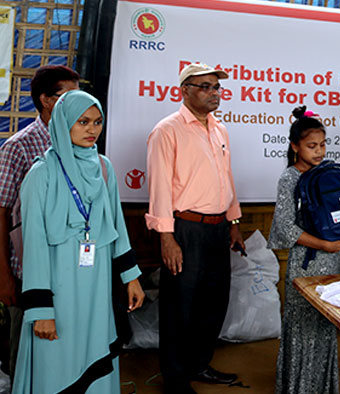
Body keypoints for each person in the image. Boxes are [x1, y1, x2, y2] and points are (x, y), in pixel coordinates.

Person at [11, 90, 145, 393]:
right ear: (62, 122)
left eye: (97, 122)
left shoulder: (103, 167)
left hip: (95, 286)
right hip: (56, 288)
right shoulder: (40, 174)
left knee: (93, 350)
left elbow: (116, 225)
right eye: (82, 121)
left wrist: (131, 277)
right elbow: (34, 247)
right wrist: (41, 310)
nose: (92, 129)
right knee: (54, 360)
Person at [146, 63, 243, 394]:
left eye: (216, 87)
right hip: (185, 228)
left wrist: (233, 222)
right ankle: (175, 379)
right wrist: (167, 238)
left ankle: (199, 364)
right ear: (184, 90)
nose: (214, 93)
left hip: (218, 228)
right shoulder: (167, 130)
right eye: (205, 87)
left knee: (214, 302)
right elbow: (159, 188)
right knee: (179, 307)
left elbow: (226, 178)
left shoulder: (219, 129)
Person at [0, 66, 79, 382]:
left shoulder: (80, 143)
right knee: (26, 353)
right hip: (28, 271)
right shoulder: (19, 147)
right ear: (46, 100)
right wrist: (4, 277)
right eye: (68, 95)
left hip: (70, 268)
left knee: (60, 352)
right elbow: (1, 214)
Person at [268, 106, 340, 394]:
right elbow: (286, 228)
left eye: (323, 144)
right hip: (306, 264)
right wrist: (324, 244)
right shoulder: (289, 179)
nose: (319, 151)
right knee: (303, 330)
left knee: (326, 328)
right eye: (311, 146)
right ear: (295, 147)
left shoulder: (327, 174)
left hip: (334, 261)